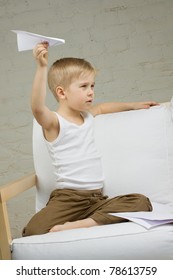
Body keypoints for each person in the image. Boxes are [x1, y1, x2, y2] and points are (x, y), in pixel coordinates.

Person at [22, 42, 157, 236]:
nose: (91, 91)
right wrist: (42, 67)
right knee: (32, 231)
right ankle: (84, 220)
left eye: (92, 86)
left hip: (95, 200)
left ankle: (82, 224)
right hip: (68, 200)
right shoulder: (54, 122)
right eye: (84, 86)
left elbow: (103, 108)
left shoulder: (87, 116)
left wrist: (133, 105)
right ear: (62, 92)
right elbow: (37, 108)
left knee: (141, 202)